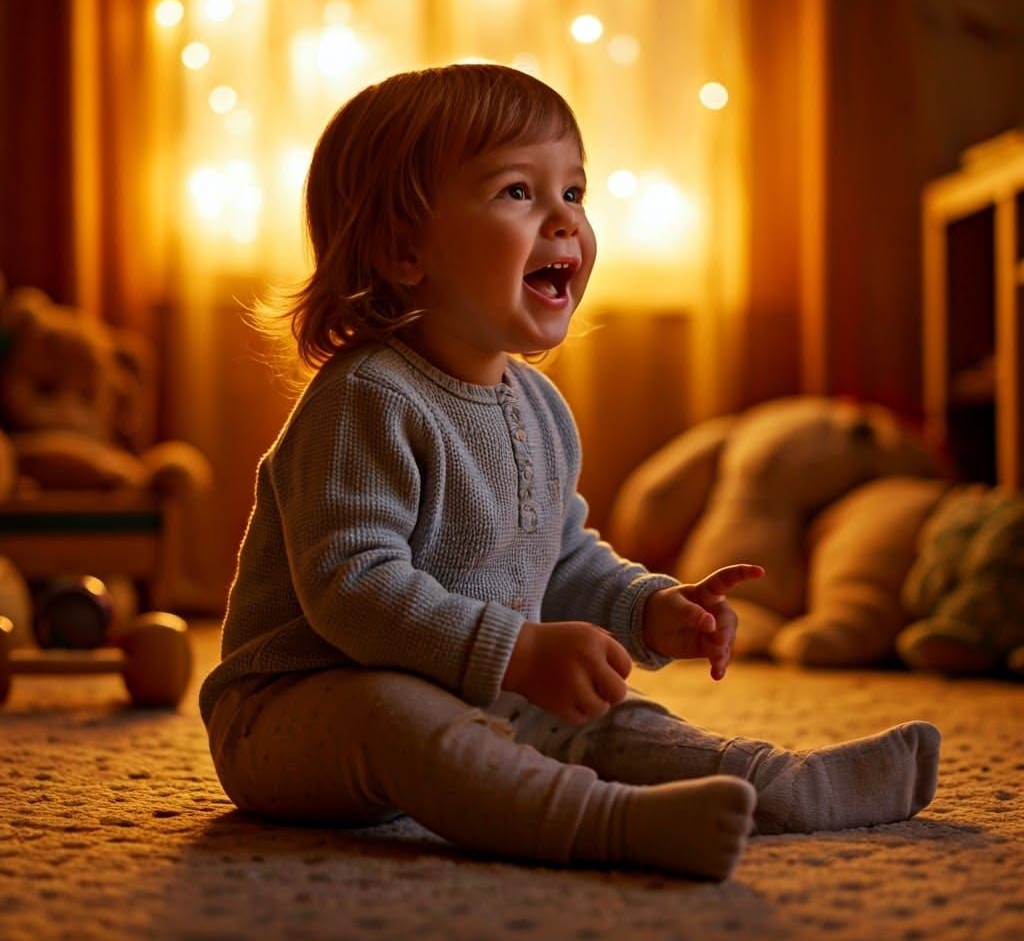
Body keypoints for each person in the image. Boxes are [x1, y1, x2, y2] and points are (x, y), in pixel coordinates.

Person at [200, 64, 940, 881]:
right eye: (519, 192)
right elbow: (354, 588)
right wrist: (516, 652)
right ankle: (604, 825)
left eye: (576, 193)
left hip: (467, 690)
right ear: (403, 248)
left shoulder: (539, 407)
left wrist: (648, 609)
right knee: (394, 713)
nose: (564, 221)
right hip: (294, 714)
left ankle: (782, 785)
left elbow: (559, 559)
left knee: (608, 720)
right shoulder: (364, 400)